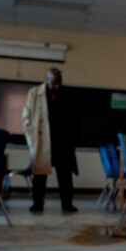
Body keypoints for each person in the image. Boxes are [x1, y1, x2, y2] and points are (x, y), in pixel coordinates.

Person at [21, 68, 79, 214]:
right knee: (39, 175)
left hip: (63, 141)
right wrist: (32, 140)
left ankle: (67, 204)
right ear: (47, 79)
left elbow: (75, 118)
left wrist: (73, 139)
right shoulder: (35, 93)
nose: (56, 86)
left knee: (65, 175)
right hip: (42, 139)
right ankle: (37, 204)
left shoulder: (67, 94)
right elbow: (26, 118)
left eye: (58, 82)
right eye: (53, 83)